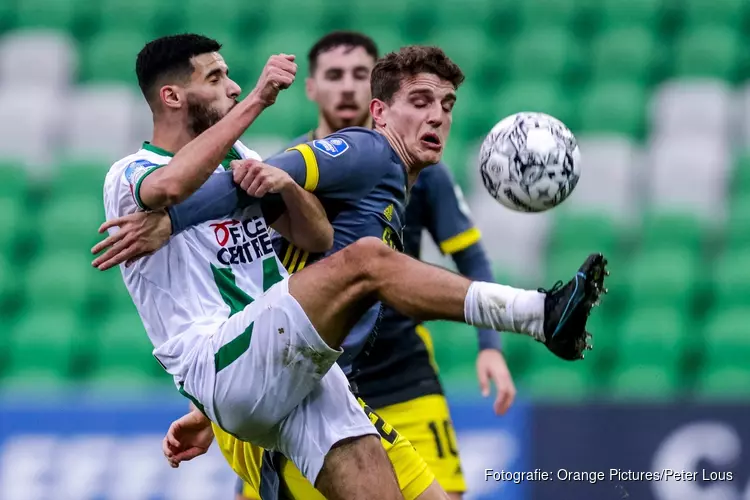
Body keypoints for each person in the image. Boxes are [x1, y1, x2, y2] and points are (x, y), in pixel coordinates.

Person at [96, 38, 608, 500]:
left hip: (296, 365)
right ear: (172, 96)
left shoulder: (245, 160)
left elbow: (314, 236)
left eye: (447, 106)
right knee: (366, 260)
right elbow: (168, 192)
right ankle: (539, 315)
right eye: (215, 78)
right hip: (222, 357)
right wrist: (258, 100)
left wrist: (286, 187)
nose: (231, 86)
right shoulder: (130, 174)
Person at [276, 31, 515, 500]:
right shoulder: (288, 174)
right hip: (313, 386)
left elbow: (472, 258)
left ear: (376, 94)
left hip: (403, 374)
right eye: (334, 75)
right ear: (311, 88)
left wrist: (490, 346)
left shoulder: (424, 169)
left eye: (359, 75)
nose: (348, 88)